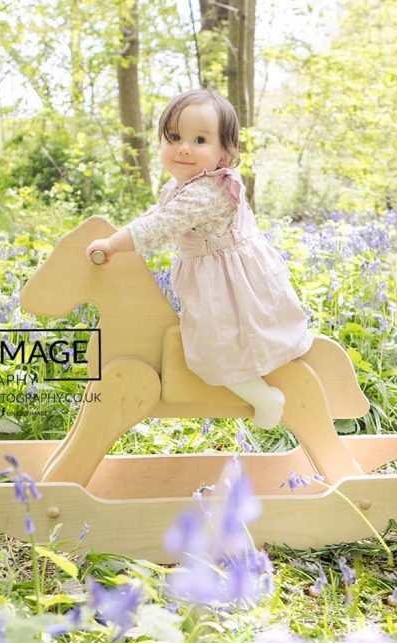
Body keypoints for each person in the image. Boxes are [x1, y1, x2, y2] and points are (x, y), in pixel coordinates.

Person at [84, 89, 314, 429]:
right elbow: (159, 214)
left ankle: (264, 397)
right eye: (174, 137)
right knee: (217, 343)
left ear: (223, 153)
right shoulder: (181, 185)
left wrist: (115, 244)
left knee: (214, 351)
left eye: (200, 139)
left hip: (231, 282)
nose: (184, 147)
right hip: (215, 278)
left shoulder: (209, 191)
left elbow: (162, 225)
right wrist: (122, 234)